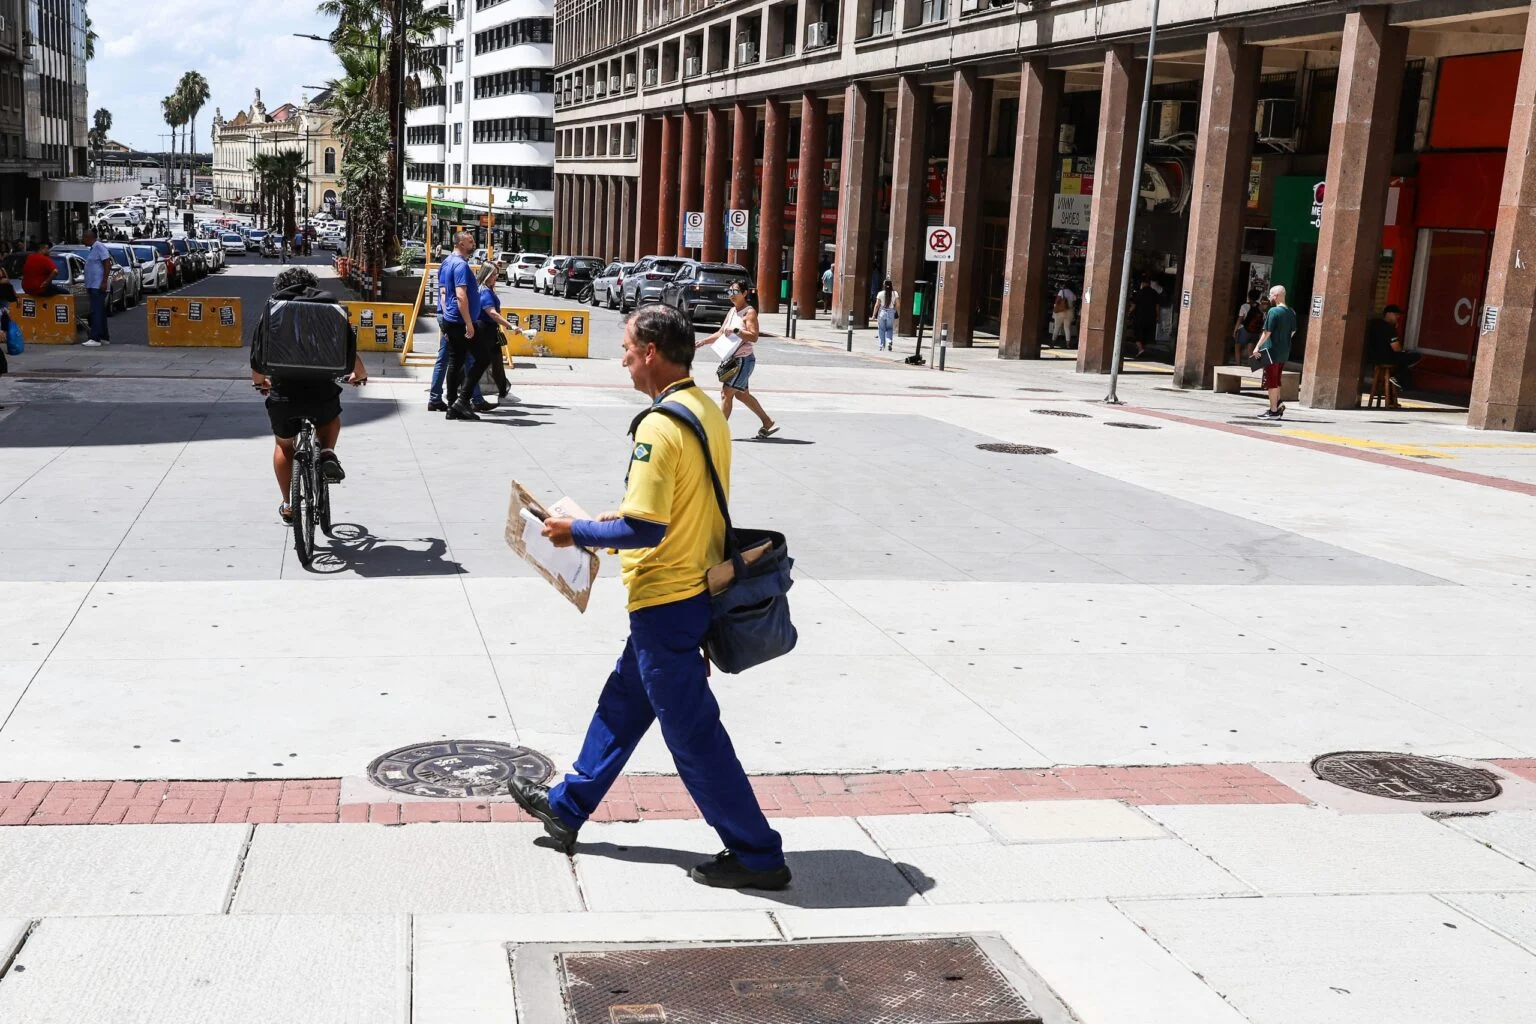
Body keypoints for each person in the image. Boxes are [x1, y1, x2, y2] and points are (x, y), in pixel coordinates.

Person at [507, 304, 791, 891]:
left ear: (653, 353)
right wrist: (623, 517)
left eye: (628, 348)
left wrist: (575, 531)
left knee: (693, 735)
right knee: (623, 702)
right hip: (686, 591)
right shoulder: (705, 410)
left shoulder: (659, 427)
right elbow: (685, 506)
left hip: (667, 598)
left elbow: (647, 529)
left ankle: (758, 854)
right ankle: (567, 807)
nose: (624, 358)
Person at [249, 267, 368, 523]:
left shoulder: (273, 310)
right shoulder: (329, 308)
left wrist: (261, 382)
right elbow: (347, 348)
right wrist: (360, 374)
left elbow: (258, 355)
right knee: (330, 418)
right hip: (321, 388)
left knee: (284, 444)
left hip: (284, 391)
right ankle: (326, 452)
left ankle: (290, 504)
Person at [697, 283, 778, 438]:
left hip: (743, 360)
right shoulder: (733, 311)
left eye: (735, 291)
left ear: (745, 293)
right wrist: (703, 342)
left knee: (726, 393)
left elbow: (754, 336)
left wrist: (736, 331)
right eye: (730, 291)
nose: (731, 294)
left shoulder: (750, 312)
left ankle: (718, 431)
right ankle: (767, 422)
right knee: (741, 395)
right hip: (733, 359)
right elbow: (721, 332)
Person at [431, 231, 484, 420]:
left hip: (451, 319)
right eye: (470, 241)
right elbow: (460, 296)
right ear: (461, 244)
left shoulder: (447, 262)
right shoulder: (460, 265)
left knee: (455, 362)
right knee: (482, 357)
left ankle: (454, 405)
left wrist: (445, 320)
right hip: (460, 321)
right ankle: (461, 400)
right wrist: (469, 324)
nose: (474, 243)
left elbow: (444, 292)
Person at [1253, 284, 1297, 420]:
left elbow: (1267, 332)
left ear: (1276, 296)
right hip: (1283, 352)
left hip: (1271, 351)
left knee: (1271, 382)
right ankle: (1277, 404)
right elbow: (1293, 331)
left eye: (1271, 294)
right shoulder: (1291, 312)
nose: (1270, 297)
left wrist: (1257, 347)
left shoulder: (1273, 312)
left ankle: (1273, 412)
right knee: (1277, 380)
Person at [1365, 304, 1420, 403]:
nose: (1397, 317)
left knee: (1400, 361)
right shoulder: (1389, 328)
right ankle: (1397, 377)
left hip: (1373, 358)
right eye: (1396, 315)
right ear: (1388, 314)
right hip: (1387, 358)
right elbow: (1396, 348)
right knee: (1414, 355)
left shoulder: (1374, 324)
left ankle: (1394, 377)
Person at [81, 228, 112, 348]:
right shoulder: (93, 249)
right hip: (92, 284)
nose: (82, 239)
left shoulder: (99, 246)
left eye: (84, 237)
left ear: (90, 237)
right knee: (100, 312)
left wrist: (104, 281)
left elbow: (107, 263)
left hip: (97, 285)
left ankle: (95, 338)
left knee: (96, 312)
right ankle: (104, 337)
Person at [1232, 288, 1264, 365]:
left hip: (1244, 330)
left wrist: (1235, 330)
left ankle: (1238, 366)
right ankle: (1251, 367)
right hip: (1255, 332)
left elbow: (1240, 319)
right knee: (1250, 350)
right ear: (1258, 297)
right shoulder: (1261, 307)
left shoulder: (1245, 306)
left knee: (1238, 348)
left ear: (1249, 296)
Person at [1130, 276, 1159, 358]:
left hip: (1139, 317)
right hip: (1151, 318)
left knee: (1136, 334)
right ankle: (1142, 349)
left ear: (1142, 284)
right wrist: (1157, 317)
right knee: (1146, 334)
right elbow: (1157, 306)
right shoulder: (1154, 293)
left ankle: (1140, 349)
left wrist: (1129, 312)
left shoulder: (1139, 293)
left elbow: (1134, 306)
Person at [871, 277, 899, 352]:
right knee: (889, 328)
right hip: (891, 313)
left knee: (881, 329)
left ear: (884, 285)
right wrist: (894, 310)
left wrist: (874, 315)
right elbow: (897, 304)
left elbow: (877, 305)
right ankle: (889, 341)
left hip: (882, 313)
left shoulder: (880, 293)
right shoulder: (895, 293)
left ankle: (881, 345)